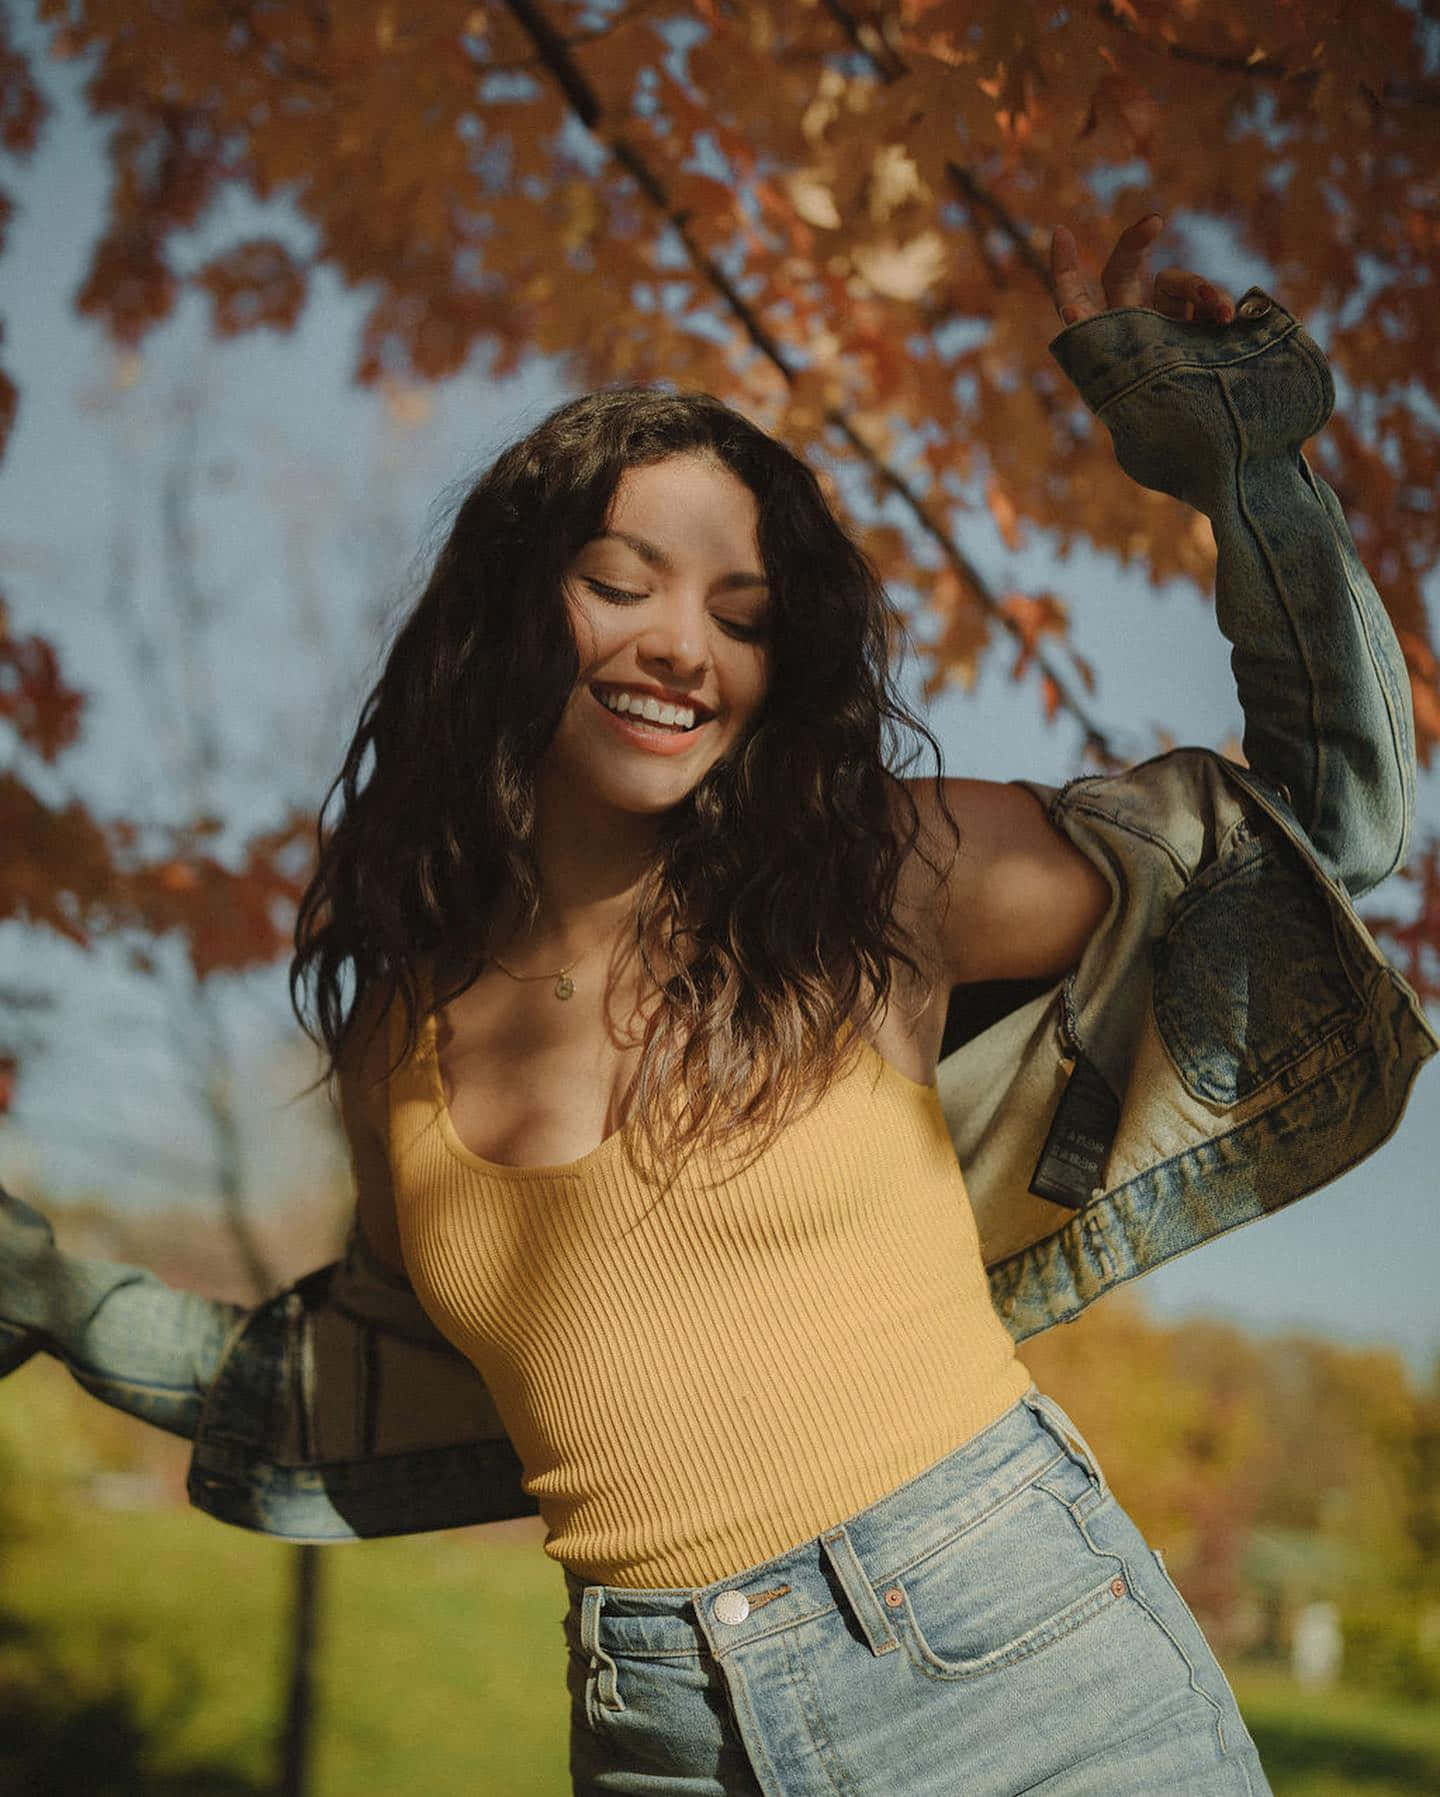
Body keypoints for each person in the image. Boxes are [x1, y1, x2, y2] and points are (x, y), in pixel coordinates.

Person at [2, 216, 1435, 1795]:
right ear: (508, 621)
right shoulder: (393, 1038)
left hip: (1016, 1658)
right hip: (655, 1724)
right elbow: (350, 1388)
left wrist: (1243, 463)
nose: (680, 644)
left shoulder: (875, 871)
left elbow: (1326, 827)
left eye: (742, 618)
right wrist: (55, 1294)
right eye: (620, 584)